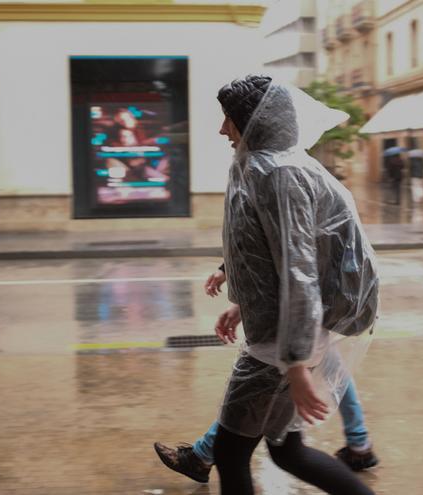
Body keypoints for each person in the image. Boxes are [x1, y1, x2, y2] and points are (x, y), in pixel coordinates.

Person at [182, 75, 378, 495]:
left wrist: (295, 363)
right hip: (282, 336)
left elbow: (299, 271)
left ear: (253, 122)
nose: (222, 130)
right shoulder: (264, 166)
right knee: (286, 450)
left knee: (232, 454)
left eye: (229, 120)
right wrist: (243, 305)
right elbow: (269, 256)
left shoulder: (280, 174)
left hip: (280, 345)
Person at [154, 264, 379, 483]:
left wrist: (295, 365)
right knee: (286, 446)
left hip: (301, 318)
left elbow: (286, 257)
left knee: (259, 439)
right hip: (311, 312)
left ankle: (201, 456)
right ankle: (359, 442)